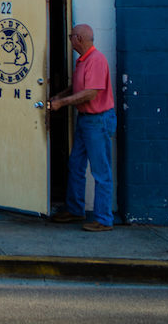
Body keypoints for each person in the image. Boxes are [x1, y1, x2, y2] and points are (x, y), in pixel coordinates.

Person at [45, 23, 116, 232]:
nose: (70, 40)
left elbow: (90, 93)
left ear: (79, 39)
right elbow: (78, 87)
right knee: (75, 165)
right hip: (85, 120)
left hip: (97, 121)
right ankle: (75, 209)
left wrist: (61, 104)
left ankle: (104, 219)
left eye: (71, 36)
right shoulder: (83, 61)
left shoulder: (96, 60)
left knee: (101, 172)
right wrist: (61, 95)